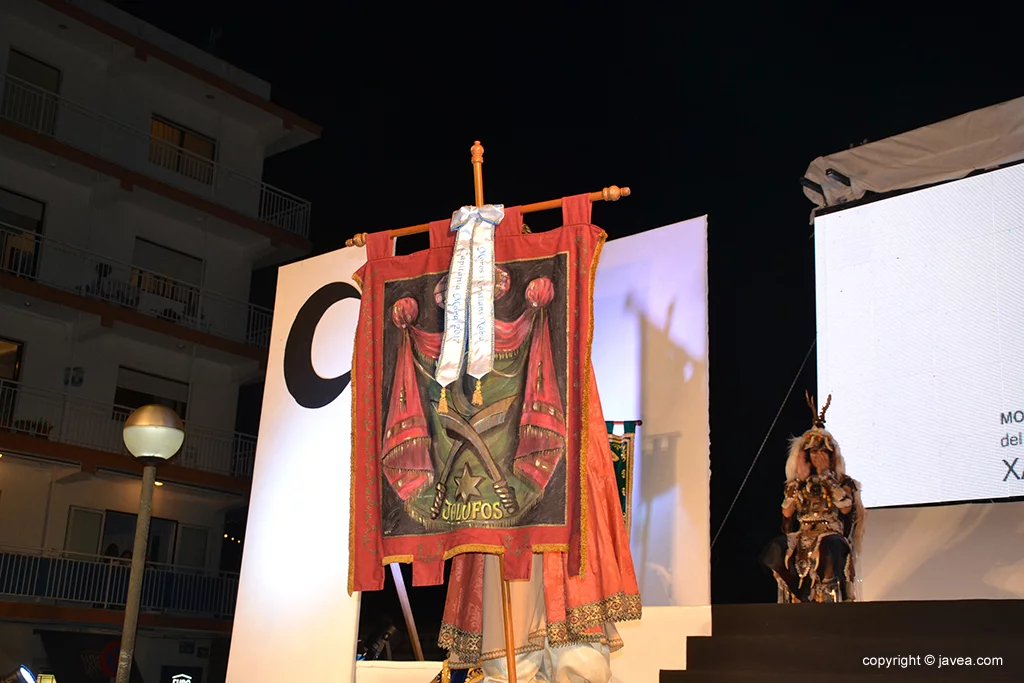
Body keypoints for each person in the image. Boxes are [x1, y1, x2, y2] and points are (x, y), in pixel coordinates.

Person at [762, 393, 864, 603]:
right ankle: (801, 593)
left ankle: (825, 601)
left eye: (822, 451)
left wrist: (826, 474)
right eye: (812, 452)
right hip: (803, 533)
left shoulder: (843, 482)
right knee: (774, 550)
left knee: (829, 548)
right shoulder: (799, 483)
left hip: (830, 534)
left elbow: (846, 509)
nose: (817, 455)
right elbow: (787, 511)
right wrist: (799, 479)